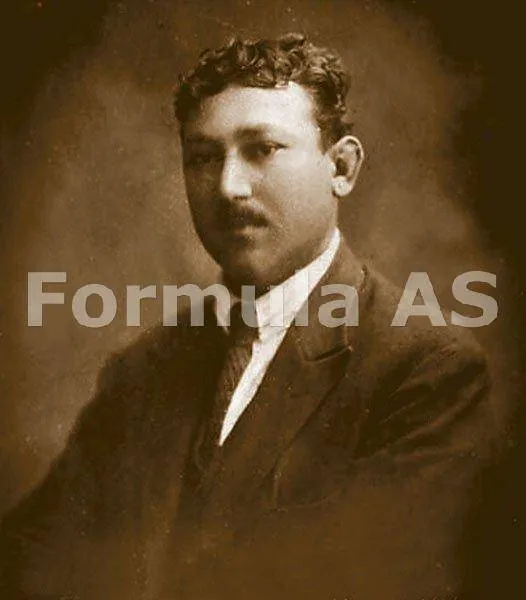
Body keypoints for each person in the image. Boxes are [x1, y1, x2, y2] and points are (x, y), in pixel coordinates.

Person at [0, 33, 490, 600]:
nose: (228, 187)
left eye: (262, 149)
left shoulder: (428, 373)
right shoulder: (143, 370)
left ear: (342, 167)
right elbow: (29, 558)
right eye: (203, 158)